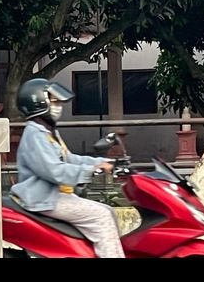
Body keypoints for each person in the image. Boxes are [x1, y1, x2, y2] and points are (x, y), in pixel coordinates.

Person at [10, 78, 125, 258]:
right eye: (54, 102)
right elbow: (55, 171)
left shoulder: (47, 132)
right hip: (44, 198)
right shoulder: (35, 135)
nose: (59, 107)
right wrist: (91, 171)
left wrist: (102, 162)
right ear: (39, 103)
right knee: (101, 216)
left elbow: (70, 158)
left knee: (109, 211)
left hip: (57, 195)